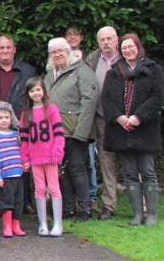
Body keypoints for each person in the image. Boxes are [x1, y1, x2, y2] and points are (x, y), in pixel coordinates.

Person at [102, 33, 163, 227]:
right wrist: (120, 118)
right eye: (124, 47)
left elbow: (157, 97)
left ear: (138, 47)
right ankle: (137, 214)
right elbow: (106, 100)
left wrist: (138, 117)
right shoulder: (113, 72)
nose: (128, 50)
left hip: (144, 128)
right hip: (122, 130)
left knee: (147, 171)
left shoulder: (153, 70)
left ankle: (151, 214)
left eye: (131, 46)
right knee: (129, 173)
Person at [44, 37, 98, 221]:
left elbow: (89, 101)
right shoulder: (50, 74)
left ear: (68, 51)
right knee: (62, 171)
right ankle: (68, 208)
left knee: (77, 169)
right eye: (53, 52)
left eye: (61, 51)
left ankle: (84, 208)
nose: (57, 54)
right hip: (55, 132)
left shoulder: (82, 71)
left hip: (74, 131)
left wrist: (81, 132)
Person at [0, 35, 36, 215]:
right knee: (0, 163)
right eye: (1, 48)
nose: (5, 51)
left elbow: (33, 96)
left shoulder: (27, 70)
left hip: (20, 123)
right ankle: (2, 203)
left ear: (14, 50)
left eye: (8, 47)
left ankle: (25, 202)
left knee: (22, 162)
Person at [20, 77, 65, 237]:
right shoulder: (26, 113)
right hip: (35, 157)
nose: (36, 93)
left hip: (51, 156)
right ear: (28, 94)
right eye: (32, 91)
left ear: (44, 91)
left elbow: (59, 133)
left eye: (38, 89)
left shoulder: (52, 109)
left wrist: (57, 152)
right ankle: (43, 224)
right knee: (39, 188)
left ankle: (58, 224)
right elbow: (24, 138)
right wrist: (24, 158)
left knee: (54, 188)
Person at [85, 26, 121, 220]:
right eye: (102, 39)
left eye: (109, 38)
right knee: (106, 161)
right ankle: (109, 205)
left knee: (134, 162)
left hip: (125, 120)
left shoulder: (127, 58)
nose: (106, 42)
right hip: (101, 118)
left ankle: (142, 205)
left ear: (117, 40)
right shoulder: (92, 60)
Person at [65, 26, 97, 212]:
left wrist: (82, 127)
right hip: (64, 127)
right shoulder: (55, 64)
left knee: (87, 163)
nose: (72, 38)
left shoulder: (88, 61)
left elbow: (88, 95)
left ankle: (89, 200)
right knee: (70, 167)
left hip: (82, 123)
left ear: (81, 37)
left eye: (75, 34)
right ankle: (71, 204)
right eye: (69, 35)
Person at [0, 102, 26, 238]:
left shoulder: (16, 135)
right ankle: (7, 226)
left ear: (11, 118)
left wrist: (25, 163)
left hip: (18, 174)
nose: (4, 120)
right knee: (6, 201)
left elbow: (22, 151)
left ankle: (16, 226)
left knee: (18, 201)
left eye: (6, 117)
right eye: (0, 118)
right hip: (5, 177)